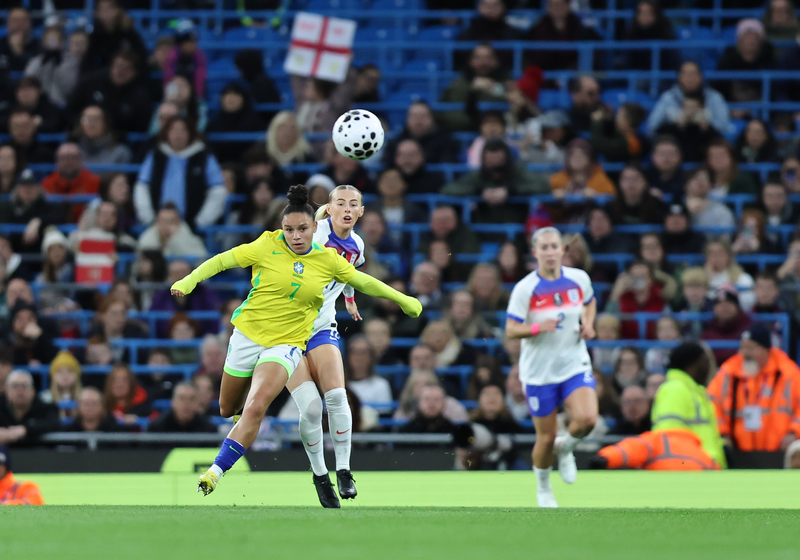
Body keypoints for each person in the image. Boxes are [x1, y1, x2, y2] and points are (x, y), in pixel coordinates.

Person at [170, 186, 421, 503]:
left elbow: (362, 280)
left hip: (290, 341)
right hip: (248, 335)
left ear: (314, 227)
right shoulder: (268, 244)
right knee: (227, 408)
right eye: (289, 230)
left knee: (273, 404)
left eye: (302, 229)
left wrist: (402, 299)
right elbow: (222, 260)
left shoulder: (334, 256)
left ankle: (218, 472)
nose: (296, 236)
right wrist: (189, 280)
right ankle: (258, 429)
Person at [282, 185, 369, 503]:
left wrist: (349, 298)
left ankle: (344, 470)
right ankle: (320, 476)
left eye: (353, 204)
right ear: (329, 209)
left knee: (337, 396)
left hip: (321, 327)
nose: (347, 209)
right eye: (340, 203)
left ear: (361, 212)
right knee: (311, 408)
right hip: (285, 332)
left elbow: (347, 273)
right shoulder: (312, 234)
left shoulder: (357, 245)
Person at [504, 227, 597, 508]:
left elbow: (589, 303)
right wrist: (537, 327)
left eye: (554, 246)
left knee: (587, 420)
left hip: (573, 362)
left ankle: (565, 448)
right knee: (545, 438)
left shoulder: (579, 279)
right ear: (535, 253)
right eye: (543, 248)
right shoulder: (526, 288)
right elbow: (511, 329)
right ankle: (543, 487)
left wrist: (588, 324)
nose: (549, 252)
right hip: (539, 372)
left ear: (562, 250)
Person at [708, 323, 800, 453]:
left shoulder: (788, 373)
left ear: (766, 349)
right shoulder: (728, 372)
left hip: (778, 453)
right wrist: (722, 433)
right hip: (737, 454)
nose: (745, 353)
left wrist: (794, 432)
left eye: (751, 348)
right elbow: (711, 405)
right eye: (743, 348)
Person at [134, 116, 226, 229]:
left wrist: (201, 221)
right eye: (173, 130)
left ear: (190, 133)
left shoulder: (203, 156)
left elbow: (217, 189)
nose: (178, 135)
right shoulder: (156, 155)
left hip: (192, 228)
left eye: (183, 130)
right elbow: (142, 186)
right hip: (157, 227)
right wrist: (148, 218)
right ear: (167, 133)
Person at [68, 50, 152, 133]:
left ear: (134, 73)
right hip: (84, 133)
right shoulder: (91, 82)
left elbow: (141, 126)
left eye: (126, 68)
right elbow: (71, 110)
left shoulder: (140, 96)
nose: (120, 72)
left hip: (119, 138)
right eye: (117, 66)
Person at [646, 61, 731, 138]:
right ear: (679, 77)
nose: (690, 78)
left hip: (706, 141)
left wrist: (706, 123)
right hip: (676, 141)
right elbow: (652, 127)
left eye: (693, 74)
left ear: (701, 77)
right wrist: (678, 122)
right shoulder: (669, 97)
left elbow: (725, 127)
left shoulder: (713, 97)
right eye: (686, 74)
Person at [439, 44, 508, 132]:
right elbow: (447, 113)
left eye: (488, 57)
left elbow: (513, 101)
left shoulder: (506, 83)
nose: (483, 62)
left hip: (497, 131)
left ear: (496, 61)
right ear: (471, 61)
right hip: (463, 129)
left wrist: (495, 88)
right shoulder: (458, 84)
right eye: (478, 57)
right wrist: (472, 91)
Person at [715, 19, 776, 107]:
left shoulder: (770, 61)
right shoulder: (727, 61)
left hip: (763, 110)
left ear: (761, 41)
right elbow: (718, 89)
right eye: (747, 37)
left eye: (754, 37)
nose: (751, 41)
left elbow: (775, 92)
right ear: (739, 39)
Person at [23, 27, 85, 107]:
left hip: (65, 103)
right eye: (49, 40)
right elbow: (29, 81)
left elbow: (71, 87)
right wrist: (44, 63)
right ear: (43, 42)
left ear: (63, 42)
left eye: (56, 40)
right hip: (40, 105)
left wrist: (56, 65)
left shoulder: (72, 61)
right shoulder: (36, 61)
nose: (53, 44)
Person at [382, 101, 460, 165]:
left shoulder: (446, 143)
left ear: (432, 119)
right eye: (414, 116)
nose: (418, 122)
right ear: (407, 120)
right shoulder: (394, 145)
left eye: (423, 116)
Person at [82, 0, 147, 75]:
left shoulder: (129, 34)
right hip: (102, 76)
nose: (105, 13)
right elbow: (87, 63)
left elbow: (141, 60)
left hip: (127, 76)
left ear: (118, 10)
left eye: (108, 9)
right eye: (101, 9)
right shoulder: (95, 36)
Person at [42, 143, 101, 223]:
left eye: (73, 157)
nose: (69, 161)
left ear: (81, 160)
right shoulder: (47, 183)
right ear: (57, 161)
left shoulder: (95, 182)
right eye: (64, 158)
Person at [0, 371, 60, 447]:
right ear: (6, 391)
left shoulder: (45, 407)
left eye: (25, 386)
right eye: (15, 386)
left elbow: (54, 423)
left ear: (33, 391)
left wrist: (25, 429)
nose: (20, 391)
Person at [548, 139, 616, 198]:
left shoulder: (598, 177)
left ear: (589, 158)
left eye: (582, 155)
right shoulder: (558, 179)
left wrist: (596, 195)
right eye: (573, 155)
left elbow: (611, 195)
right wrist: (557, 195)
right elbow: (548, 199)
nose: (577, 159)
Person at [702, 286, 753, 365]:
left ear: (737, 306)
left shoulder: (748, 326)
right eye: (720, 303)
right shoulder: (709, 328)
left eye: (729, 302)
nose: (724, 307)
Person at [137, 204, 208, 259]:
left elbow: (200, 258)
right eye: (164, 221)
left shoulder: (189, 236)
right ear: (157, 223)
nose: (167, 226)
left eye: (171, 222)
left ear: (178, 223)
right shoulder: (147, 239)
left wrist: (175, 239)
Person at [148, 383, 217, 433]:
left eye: (191, 399)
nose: (186, 403)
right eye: (182, 398)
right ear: (173, 402)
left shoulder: (208, 429)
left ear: (197, 403)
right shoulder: (156, 428)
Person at [344, 335, 393, 406]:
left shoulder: (381, 385)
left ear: (371, 357)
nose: (359, 357)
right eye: (355, 352)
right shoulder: (338, 385)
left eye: (363, 353)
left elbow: (384, 411)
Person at [0, 7, 39, 73]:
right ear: (8, 24)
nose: (19, 24)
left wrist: (18, 50)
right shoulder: (1, 44)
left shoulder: (39, 47)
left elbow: (35, 71)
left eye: (23, 20)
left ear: (30, 24)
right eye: (15, 20)